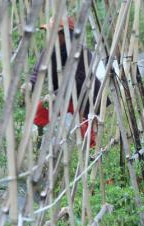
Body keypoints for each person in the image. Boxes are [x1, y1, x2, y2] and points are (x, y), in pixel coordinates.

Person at [31, 16, 108, 148]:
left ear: (65, 35)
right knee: (39, 112)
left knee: (89, 135)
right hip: (61, 97)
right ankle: (39, 139)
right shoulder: (48, 51)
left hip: (84, 98)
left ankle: (91, 152)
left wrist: (56, 94)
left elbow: (79, 81)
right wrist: (30, 84)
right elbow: (38, 72)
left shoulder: (82, 52)